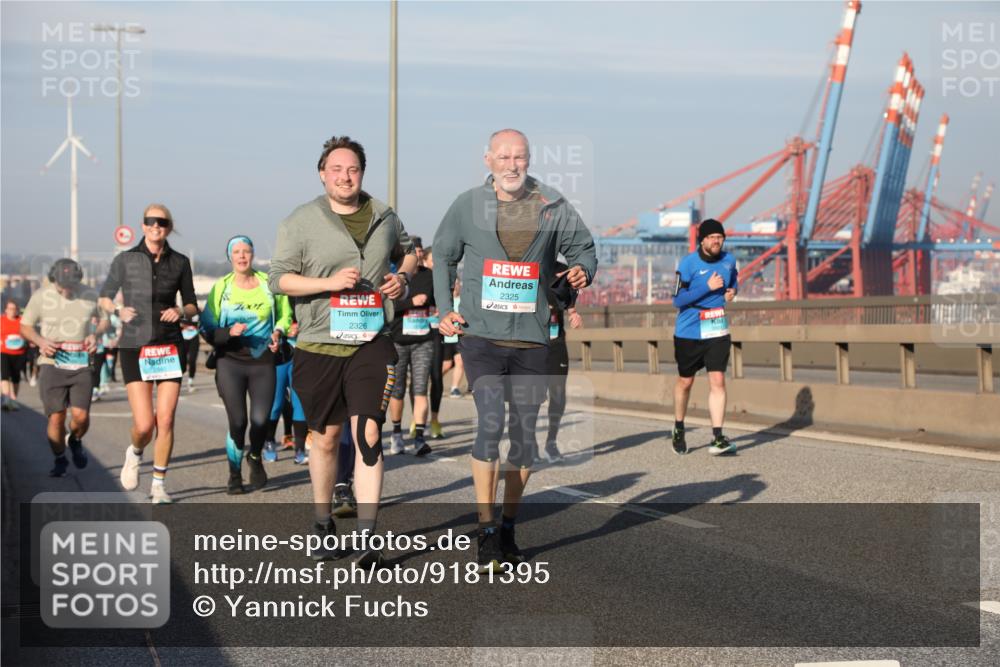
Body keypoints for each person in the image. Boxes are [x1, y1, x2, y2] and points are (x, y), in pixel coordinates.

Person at [434, 128, 597, 572]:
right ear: (487, 160)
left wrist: (582, 269)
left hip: (531, 338)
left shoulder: (553, 205)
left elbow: (583, 247)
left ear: (529, 160)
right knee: (490, 425)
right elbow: (443, 254)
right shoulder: (467, 206)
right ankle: (485, 530)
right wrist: (445, 310)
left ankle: (507, 526)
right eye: (503, 156)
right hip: (481, 337)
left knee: (523, 437)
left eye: (519, 157)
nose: (512, 164)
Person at [269, 135, 416, 565]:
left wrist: (403, 279)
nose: (345, 177)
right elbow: (278, 279)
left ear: (362, 173)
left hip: (372, 341)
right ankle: (322, 523)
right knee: (327, 439)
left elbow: (408, 252)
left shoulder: (385, 215)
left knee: (368, 433)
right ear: (322, 174)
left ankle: (369, 538)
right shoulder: (299, 221)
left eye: (352, 169)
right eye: (336, 169)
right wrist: (327, 284)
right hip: (319, 342)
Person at [99, 203, 198, 504]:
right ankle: (136, 451)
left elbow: (193, 305)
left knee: (165, 420)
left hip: (169, 345)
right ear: (142, 225)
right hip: (135, 345)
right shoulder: (125, 260)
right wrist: (117, 309)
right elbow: (103, 296)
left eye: (162, 222)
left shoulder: (180, 262)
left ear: (169, 227)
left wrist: (180, 310)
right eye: (150, 221)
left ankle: (158, 485)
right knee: (144, 424)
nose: (156, 226)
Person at [201, 236, 291, 494]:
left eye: (247, 251)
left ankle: (255, 457)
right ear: (230, 257)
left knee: (261, 420)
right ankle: (234, 474)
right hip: (230, 361)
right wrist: (229, 331)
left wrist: (278, 332)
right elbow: (206, 328)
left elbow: (285, 315)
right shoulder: (222, 288)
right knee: (238, 422)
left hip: (263, 361)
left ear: (253, 254)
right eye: (237, 252)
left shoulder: (267, 284)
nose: (242, 256)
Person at [19, 259, 108, 476]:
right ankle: (60, 458)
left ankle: (75, 439)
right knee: (57, 417)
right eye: (62, 285)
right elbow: (25, 326)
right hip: (52, 364)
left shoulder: (89, 294)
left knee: (81, 417)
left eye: (71, 284)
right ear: (53, 279)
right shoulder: (41, 297)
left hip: (81, 363)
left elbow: (105, 320)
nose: (66, 289)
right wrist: (40, 341)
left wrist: (95, 334)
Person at [670, 218, 738, 456]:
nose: (717, 241)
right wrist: (706, 287)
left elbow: (734, 278)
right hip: (689, 329)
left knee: (718, 381)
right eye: (712, 237)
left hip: (716, 325)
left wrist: (732, 291)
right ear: (702, 240)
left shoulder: (729, 261)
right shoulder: (688, 264)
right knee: (685, 382)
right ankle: (679, 426)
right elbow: (677, 300)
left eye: (720, 237)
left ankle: (718, 436)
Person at [388, 236, 435, 457]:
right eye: (412, 251)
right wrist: (410, 302)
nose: (416, 254)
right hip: (397, 340)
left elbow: (437, 302)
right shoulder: (394, 278)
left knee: (420, 388)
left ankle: (419, 438)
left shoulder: (429, 276)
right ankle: (396, 433)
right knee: (396, 391)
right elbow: (385, 304)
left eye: (418, 251)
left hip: (422, 340)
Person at [542, 261, 584, 463]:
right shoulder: (528, 265)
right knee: (530, 396)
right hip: (532, 343)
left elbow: (570, 302)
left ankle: (551, 442)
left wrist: (573, 314)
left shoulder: (561, 269)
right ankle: (528, 442)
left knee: (558, 395)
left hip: (556, 340)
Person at [264, 319, 309, 465]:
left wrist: (300, 326)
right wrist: (282, 330)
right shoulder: (277, 296)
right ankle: (269, 443)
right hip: (280, 356)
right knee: (276, 404)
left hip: (302, 352)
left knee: (300, 402)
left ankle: (300, 450)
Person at [419, 246, 446, 439]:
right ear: (426, 261)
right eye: (433, 259)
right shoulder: (420, 277)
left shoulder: (445, 277)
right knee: (420, 381)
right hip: (419, 331)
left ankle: (434, 419)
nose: (436, 263)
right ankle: (417, 419)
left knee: (436, 376)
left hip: (437, 332)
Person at [1, 300, 26, 411]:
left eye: (14, 309)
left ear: (17, 310)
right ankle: (6, 398)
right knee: (5, 375)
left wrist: (26, 340)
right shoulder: (1, 320)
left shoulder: (22, 321)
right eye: (10, 309)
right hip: (4, 351)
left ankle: (13, 399)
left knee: (16, 377)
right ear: (6, 310)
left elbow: (28, 333)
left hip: (19, 352)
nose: (12, 311)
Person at [180, 315, 200, 393]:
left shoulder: (197, 311)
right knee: (182, 360)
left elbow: (201, 323)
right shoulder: (181, 311)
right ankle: (178, 381)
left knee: (192, 360)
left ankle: (190, 382)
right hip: (183, 337)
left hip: (194, 336)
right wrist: (183, 325)